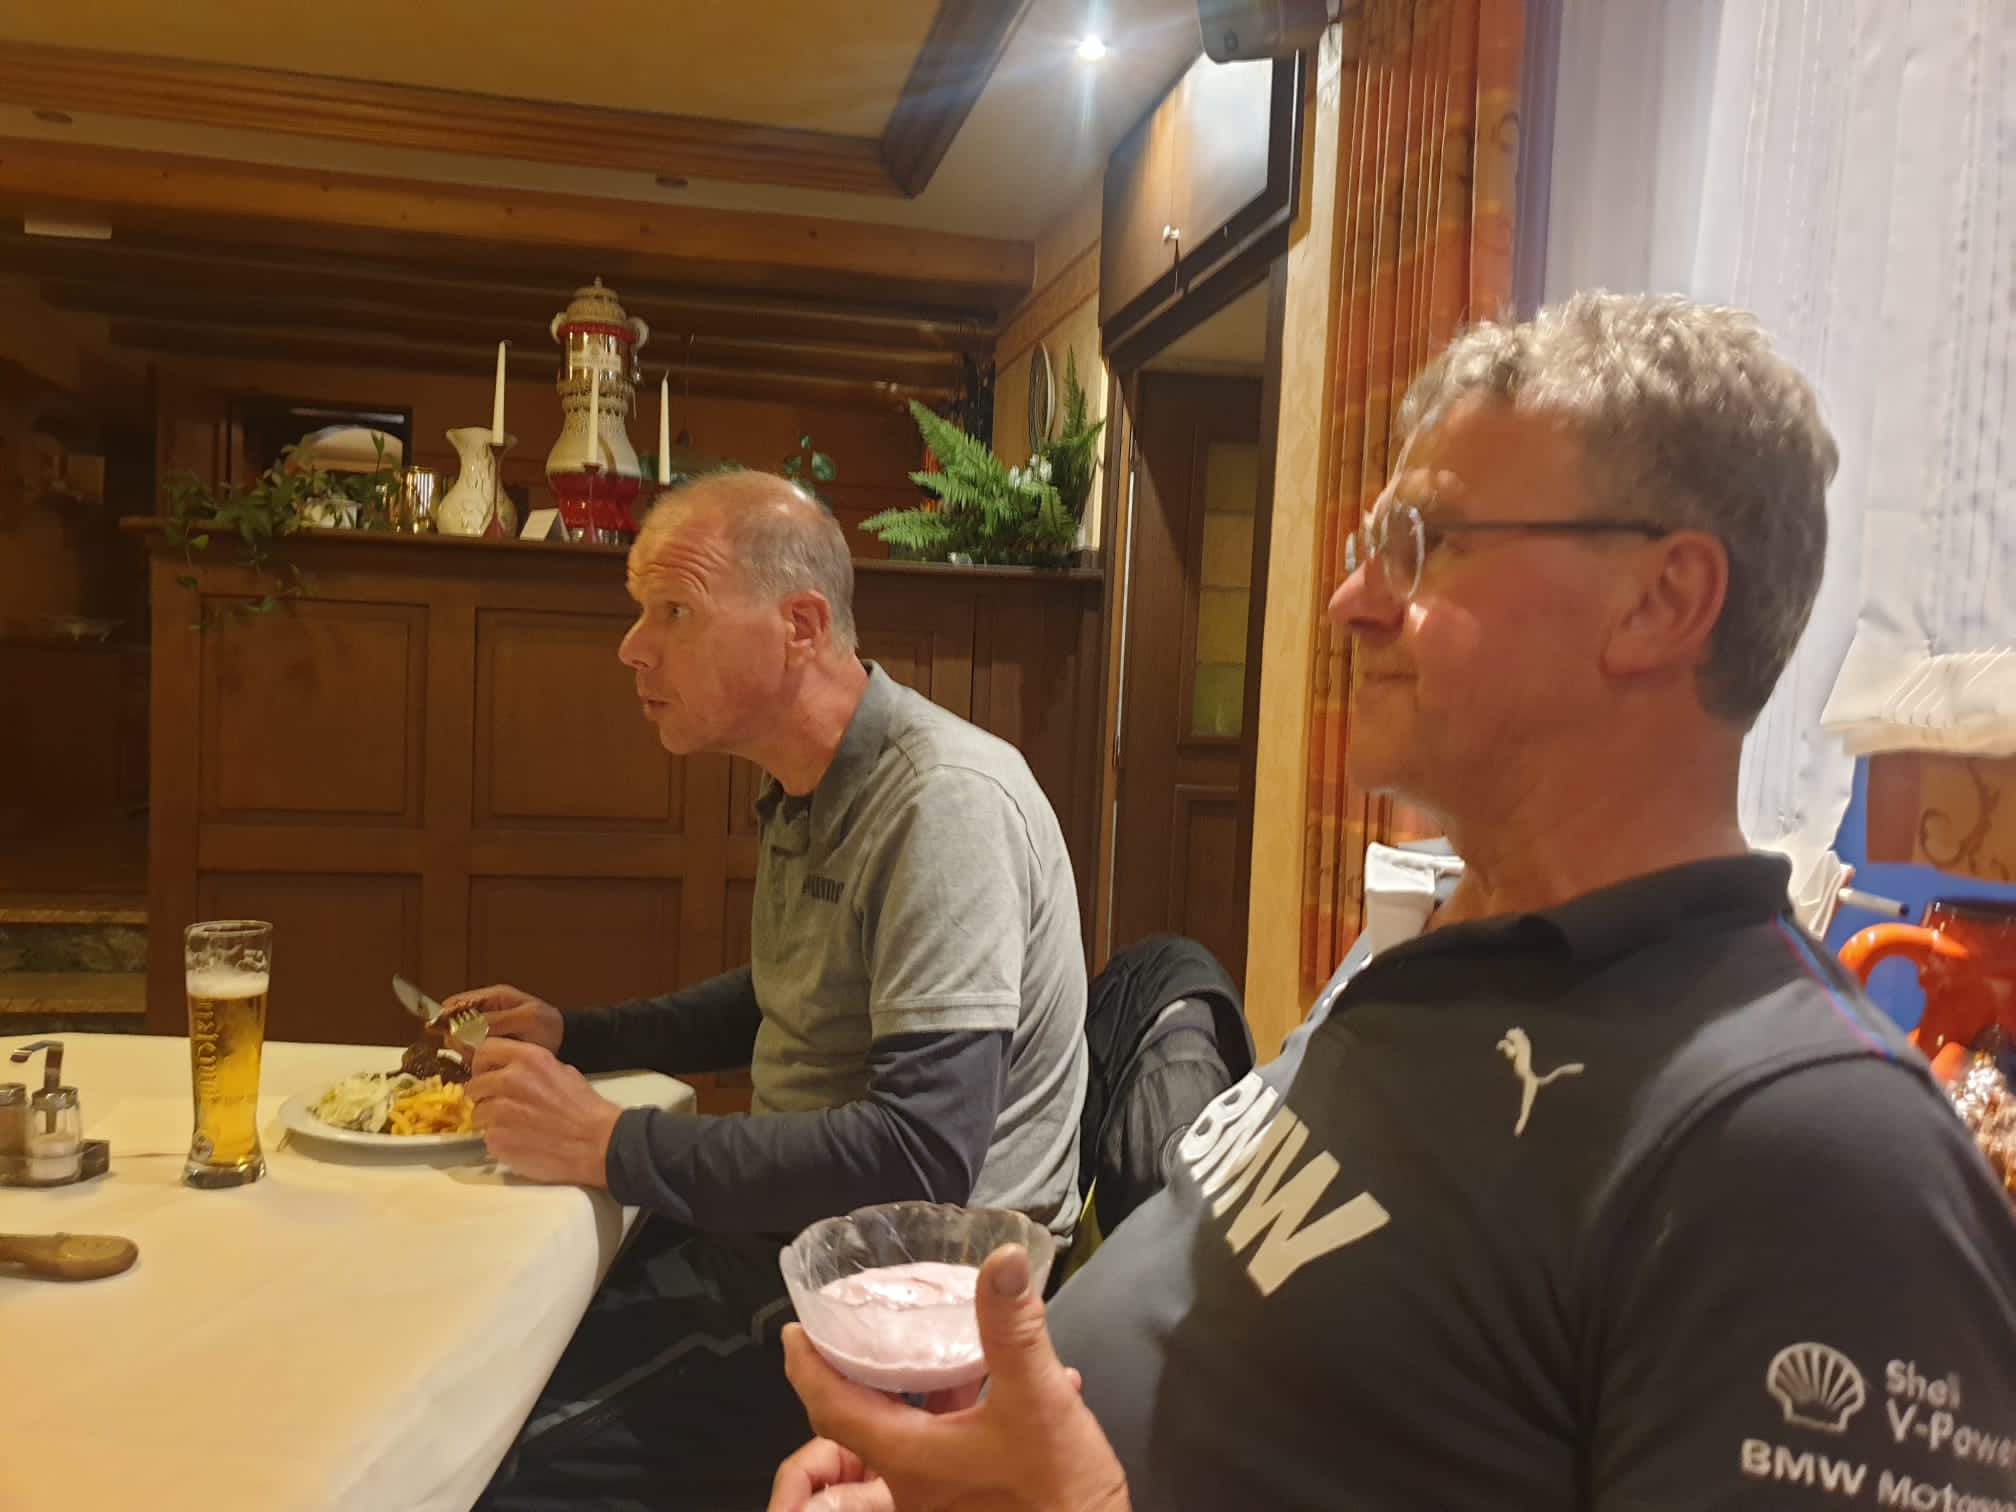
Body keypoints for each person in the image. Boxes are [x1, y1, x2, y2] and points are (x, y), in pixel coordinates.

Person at [767, 292, 2016, 1511]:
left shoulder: (1813, 1150)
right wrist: (968, 1454)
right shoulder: (1432, 961)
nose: (1351, 600)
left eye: (1427, 543)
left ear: (1661, 602)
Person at [451, 470, 1088, 1509]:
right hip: (790, 1248)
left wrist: (611, 1144)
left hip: (901, 1318)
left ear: (800, 626)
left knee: (485, 1460)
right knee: (488, 1333)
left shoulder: (944, 803)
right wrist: (579, 1036)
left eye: (674, 611)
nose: (632, 648)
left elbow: (921, 1154)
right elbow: (784, 991)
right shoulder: (812, 787)